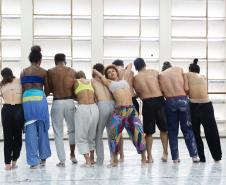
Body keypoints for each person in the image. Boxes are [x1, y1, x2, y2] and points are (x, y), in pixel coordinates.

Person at [93, 64, 146, 167]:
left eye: (113, 71)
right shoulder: (109, 83)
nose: (111, 73)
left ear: (117, 72)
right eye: (109, 72)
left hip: (131, 110)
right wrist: (95, 70)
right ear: (107, 76)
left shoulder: (124, 80)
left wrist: (125, 67)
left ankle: (143, 159)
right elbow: (100, 76)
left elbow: (129, 67)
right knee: (114, 136)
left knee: (138, 133)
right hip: (119, 111)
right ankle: (115, 160)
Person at [159, 61, 199, 163]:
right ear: (171, 66)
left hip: (169, 101)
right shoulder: (179, 69)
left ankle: (175, 158)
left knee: (172, 131)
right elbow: (186, 88)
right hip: (182, 100)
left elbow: (162, 92)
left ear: (163, 68)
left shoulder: (161, 75)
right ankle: (194, 156)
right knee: (187, 129)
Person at [185, 58, 222, 162]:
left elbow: (186, 89)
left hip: (194, 105)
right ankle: (217, 156)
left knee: (196, 133)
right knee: (212, 132)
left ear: (189, 70)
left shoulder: (187, 75)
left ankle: (201, 157)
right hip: (207, 105)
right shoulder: (204, 77)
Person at [20, 45, 51, 168]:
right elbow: (47, 90)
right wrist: (41, 93)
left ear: (30, 59)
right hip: (39, 98)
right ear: (40, 60)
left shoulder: (23, 71)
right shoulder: (44, 71)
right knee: (42, 128)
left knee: (30, 130)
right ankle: (43, 158)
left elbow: (22, 88)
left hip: (27, 99)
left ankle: (33, 162)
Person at [133, 58, 168, 163]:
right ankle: (165, 153)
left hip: (147, 103)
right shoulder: (154, 72)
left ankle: (150, 157)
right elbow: (163, 86)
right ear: (144, 64)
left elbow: (137, 93)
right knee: (164, 129)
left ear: (136, 67)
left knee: (148, 132)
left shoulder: (135, 78)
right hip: (159, 101)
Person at [47, 53, 77, 167]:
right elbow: (75, 90)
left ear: (55, 61)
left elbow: (48, 89)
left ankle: (62, 160)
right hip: (69, 101)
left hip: (57, 102)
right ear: (65, 61)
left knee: (58, 132)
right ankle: (73, 155)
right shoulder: (72, 71)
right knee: (72, 130)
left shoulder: (50, 71)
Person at [0, 68, 24, 170]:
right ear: (12, 73)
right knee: (18, 137)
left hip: (6, 110)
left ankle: (7, 164)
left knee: (7, 138)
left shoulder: (1, 84)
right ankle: (14, 161)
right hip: (18, 110)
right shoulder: (19, 81)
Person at [74, 71, 99, 167]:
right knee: (91, 135)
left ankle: (87, 161)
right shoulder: (90, 82)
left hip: (83, 108)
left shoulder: (76, 82)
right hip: (94, 108)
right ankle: (92, 158)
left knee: (81, 136)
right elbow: (95, 97)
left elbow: (72, 95)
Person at [92, 63, 114, 165]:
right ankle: (113, 158)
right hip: (112, 105)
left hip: (102, 105)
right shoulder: (108, 80)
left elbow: (93, 97)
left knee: (98, 134)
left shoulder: (92, 81)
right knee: (111, 134)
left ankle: (100, 159)